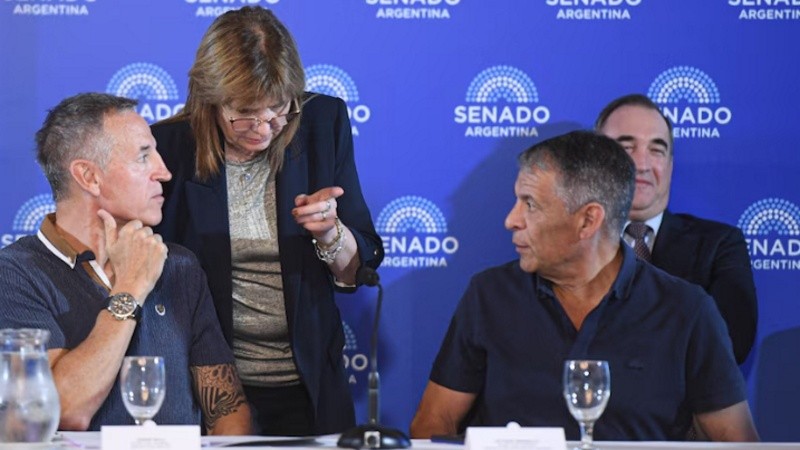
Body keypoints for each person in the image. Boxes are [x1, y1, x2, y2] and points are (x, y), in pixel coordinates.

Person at [409, 131, 759, 441]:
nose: (511, 220)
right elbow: (433, 422)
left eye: (530, 204)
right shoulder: (489, 295)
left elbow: (737, 441)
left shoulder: (686, 310)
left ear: (588, 220)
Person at [151, 7, 383, 436]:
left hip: (310, 384)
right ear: (210, 96)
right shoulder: (169, 148)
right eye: (244, 113)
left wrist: (331, 233)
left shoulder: (321, 122)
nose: (262, 128)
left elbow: (359, 267)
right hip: (207, 391)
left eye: (277, 110)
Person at [0, 93, 251, 434]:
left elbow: (227, 409)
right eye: (143, 157)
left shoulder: (179, 266)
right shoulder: (16, 274)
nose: (164, 172)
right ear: (89, 177)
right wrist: (130, 290)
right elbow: (64, 412)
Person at [594, 94, 757, 365]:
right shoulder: (569, 242)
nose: (642, 165)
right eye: (626, 148)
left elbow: (730, 344)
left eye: (657, 150)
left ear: (670, 165)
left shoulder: (718, 246)